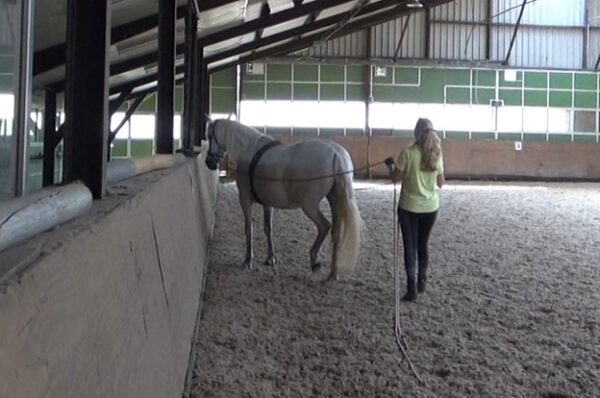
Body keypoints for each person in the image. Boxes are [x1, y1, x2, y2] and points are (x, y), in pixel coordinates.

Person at [384, 118, 445, 301]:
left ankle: (411, 288)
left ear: (416, 133)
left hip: (409, 207)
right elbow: (441, 183)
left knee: (409, 247)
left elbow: (395, 178)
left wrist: (390, 166)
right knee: (422, 244)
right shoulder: (437, 153)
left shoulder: (407, 153)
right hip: (431, 207)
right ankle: (422, 282)